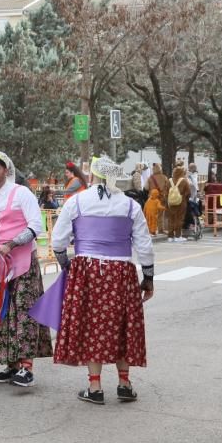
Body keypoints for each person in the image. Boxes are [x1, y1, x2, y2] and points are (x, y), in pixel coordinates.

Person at [47, 156, 155, 404]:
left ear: (92, 174)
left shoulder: (77, 202)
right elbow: (145, 246)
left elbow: (58, 241)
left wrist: (67, 267)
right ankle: (124, 383)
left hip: (86, 270)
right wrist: (148, 277)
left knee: (90, 324)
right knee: (123, 325)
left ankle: (95, 387)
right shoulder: (130, 205)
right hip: (121, 271)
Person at [0, 151, 53, 387]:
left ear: (6, 170)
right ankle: (10, 364)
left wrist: (12, 244)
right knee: (1, 312)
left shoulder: (21, 193)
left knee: (24, 312)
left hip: (22, 263)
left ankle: (26, 367)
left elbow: (37, 225)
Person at [167, 164, 190, 242]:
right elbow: (188, 192)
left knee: (171, 219)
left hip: (170, 203)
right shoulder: (184, 181)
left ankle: (170, 236)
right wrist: (184, 198)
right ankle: (178, 236)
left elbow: (165, 192)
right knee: (179, 219)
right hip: (181, 203)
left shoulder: (169, 180)